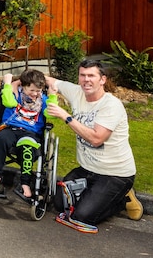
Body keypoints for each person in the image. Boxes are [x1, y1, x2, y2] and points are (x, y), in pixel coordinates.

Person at [46, 62, 141, 230]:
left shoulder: (111, 105)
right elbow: (48, 80)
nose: (86, 80)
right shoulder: (77, 92)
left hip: (115, 174)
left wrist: (66, 116)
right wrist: (14, 83)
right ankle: (97, 194)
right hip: (88, 169)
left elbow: (97, 139)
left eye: (91, 76)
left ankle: (122, 198)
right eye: (82, 75)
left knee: (81, 216)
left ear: (102, 79)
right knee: (60, 204)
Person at [0, 70, 57, 200]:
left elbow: (51, 114)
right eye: (32, 90)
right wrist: (8, 83)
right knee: (1, 139)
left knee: (27, 148)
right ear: (23, 86)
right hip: (10, 128)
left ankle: (25, 183)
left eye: (38, 90)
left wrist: (52, 95)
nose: (35, 94)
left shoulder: (43, 99)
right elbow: (8, 103)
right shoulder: (15, 93)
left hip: (31, 132)